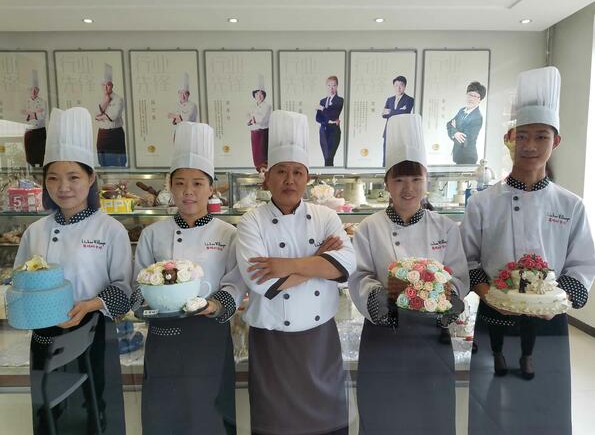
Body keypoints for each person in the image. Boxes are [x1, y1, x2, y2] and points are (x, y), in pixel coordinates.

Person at [461, 66, 595, 435]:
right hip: (494, 315)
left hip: (550, 322)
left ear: (556, 141)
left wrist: (555, 301)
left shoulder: (570, 205)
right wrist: (489, 294)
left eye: (541, 136)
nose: (531, 145)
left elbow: (582, 265)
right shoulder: (483, 202)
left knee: (545, 408)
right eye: (522, 136)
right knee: (490, 408)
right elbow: (467, 259)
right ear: (509, 139)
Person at [236, 110, 356, 435]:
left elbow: (346, 264)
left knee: (328, 425)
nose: (289, 180)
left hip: (320, 342)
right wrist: (318, 261)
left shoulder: (326, 216)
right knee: (276, 426)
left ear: (307, 178)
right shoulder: (251, 221)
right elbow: (262, 282)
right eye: (281, 171)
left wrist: (288, 265)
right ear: (267, 177)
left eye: (297, 172)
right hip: (271, 343)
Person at [349, 114, 469, 434]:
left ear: (427, 180)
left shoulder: (446, 227)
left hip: (432, 338)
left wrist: (451, 298)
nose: (408, 189)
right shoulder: (369, 227)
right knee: (382, 418)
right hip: (383, 337)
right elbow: (359, 276)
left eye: (416, 179)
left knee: (431, 419)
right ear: (387, 183)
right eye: (400, 180)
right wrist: (377, 297)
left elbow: (458, 276)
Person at [15, 107, 131, 435]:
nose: (63, 187)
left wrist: (89, 305)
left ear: (91, 179)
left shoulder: (110, 230)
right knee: (49, 418)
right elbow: (19, 283)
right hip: (45, 337)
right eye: (53, 177)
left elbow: (124, 292)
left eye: (73, 177)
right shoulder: (35, 231)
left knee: (96, 414)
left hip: (94, 334)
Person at [132, 122, 246, 435]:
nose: (188, 191)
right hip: (163, 339)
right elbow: (137, 287)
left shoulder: (228, 234)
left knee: (211, 419)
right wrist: (144, 306)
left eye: (197, 183)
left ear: (211, 188)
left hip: (209, 337)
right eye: (180, 183)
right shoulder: (153, 234)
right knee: (163, 419)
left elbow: (235, 283)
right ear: (169, 186)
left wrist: (213, 305)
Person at [447, 81, 487, 165]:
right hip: (458, 155)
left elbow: (465, 140)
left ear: (480, 100)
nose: (471, 98)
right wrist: (456, 133)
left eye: (475, 96)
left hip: (468, 158)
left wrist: (454, 130)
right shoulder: (462, 111)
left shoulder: (477, 117)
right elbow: (449, 124)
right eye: (470, 95)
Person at [95, 63, 127, 167]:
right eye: (103, 85)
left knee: (119, 163)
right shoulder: (98, 98)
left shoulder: (118, 99)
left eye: (108, 85)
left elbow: (113, 116)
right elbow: (95, 115)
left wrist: (101, 116)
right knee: (103, 163)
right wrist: (106, 101)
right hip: (102, 134)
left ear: (112, 85)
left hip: (115, 134)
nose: (105, 87)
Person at [382, 75, 414, 166]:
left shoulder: (409, 99)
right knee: (386, 156)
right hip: (388, 131)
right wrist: (398, 111)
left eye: (401, 85)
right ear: (393, 86)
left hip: (401, 132)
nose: (398, 88)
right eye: (396, 85)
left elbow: (405, 112)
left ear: (405, 86)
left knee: (399, 157)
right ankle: (384, 172)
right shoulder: (390, 99)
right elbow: (384, 115)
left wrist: (390, 112)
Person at [316, 75, 344, 167]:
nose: (331, 88)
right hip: (323, 131)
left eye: (334, 85)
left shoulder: (339, 100)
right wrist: (329, 120)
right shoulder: (322, 101)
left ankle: (329, 174)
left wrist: (322, 109)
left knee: (329, 158)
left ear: (337, 86)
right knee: (326, 158)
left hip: (334, 132)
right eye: (329, 85)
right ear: (326, 86)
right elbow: (318, 118)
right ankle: (327, 174)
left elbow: (333, 115)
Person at [247, 75, 272, 171]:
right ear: (254, 95)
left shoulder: (267, 106)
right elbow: (247, 119)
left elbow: (262, 119)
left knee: (263, 155)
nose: (259, 96)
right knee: (256, 154)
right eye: (257, 94)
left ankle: (264, 172)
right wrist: (252, 119)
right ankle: (258, 171)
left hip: (263, 133)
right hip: (254, 133)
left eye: (261, 94)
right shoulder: (252, 106)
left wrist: (253, 119)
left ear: (264, 95)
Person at [22, 69, 47, 167]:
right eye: (31, 89)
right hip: (29, 132)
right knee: (30, 157)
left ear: (38, 90)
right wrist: (36, 113)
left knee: (41, 155)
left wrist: (30, 113)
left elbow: (43, 116)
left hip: (40, 132)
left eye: (36, 89)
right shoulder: (25, 102)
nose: (33, 91)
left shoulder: (43, 102)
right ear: (29, 90)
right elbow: (23, 116)